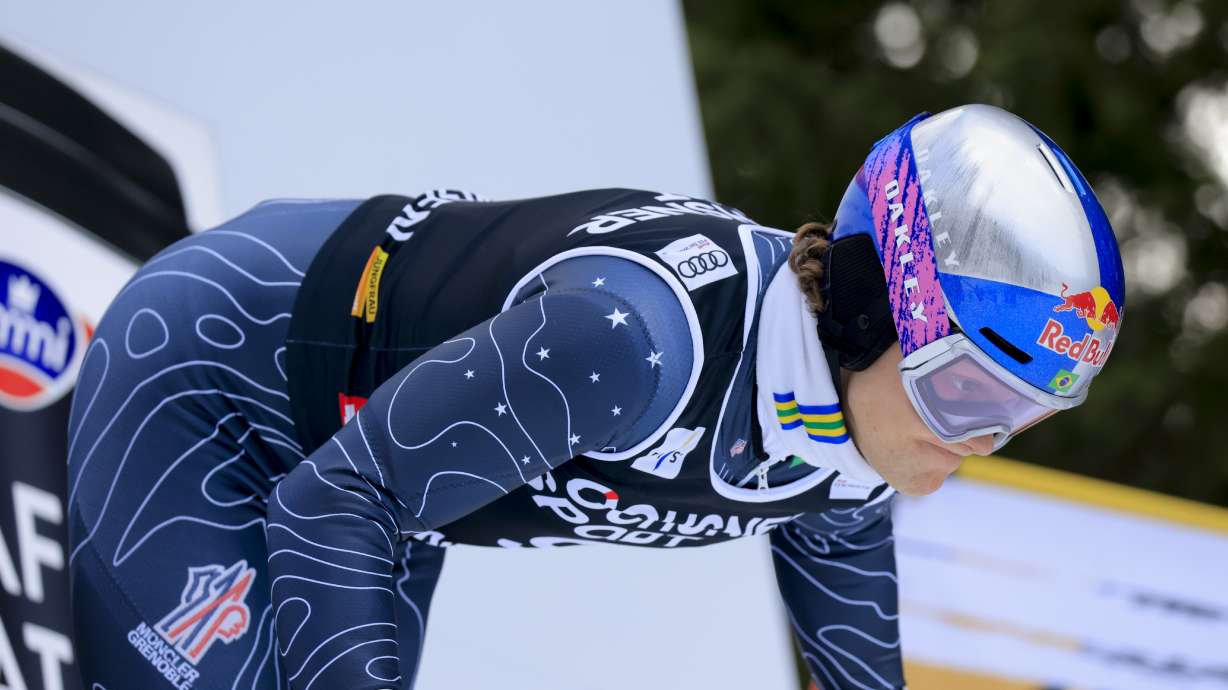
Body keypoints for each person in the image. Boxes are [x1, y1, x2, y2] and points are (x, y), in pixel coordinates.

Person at [66, 103, 1124, 690]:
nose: (978, 444)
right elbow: (329, 508)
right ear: (864, 307)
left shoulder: (847, 453)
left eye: (1020, 419)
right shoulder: (639, 346)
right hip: (218, 382)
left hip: (382, 480)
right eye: (967, 394)